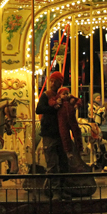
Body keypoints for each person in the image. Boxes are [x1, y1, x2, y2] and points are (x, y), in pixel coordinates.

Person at [35, 72, 70, 200]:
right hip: (49, 132)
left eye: (55, 81)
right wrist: (54, 108)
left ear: (60, 83)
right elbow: (38, 109)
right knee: (52, 164)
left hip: (60, 133)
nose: (52, 83)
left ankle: (62, 188)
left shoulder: (62, 95)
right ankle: (54, 191)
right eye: (51, 81)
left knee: (63, 163)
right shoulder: (46, 95)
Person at [55, 87, 84, 159]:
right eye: (63, 94)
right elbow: (52, 102)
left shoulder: (71, 98)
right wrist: (56, 104)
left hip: (72, 119)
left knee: (77, 133)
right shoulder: (59, 101)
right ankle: (68, 151)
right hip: (63, 121)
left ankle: (80, 149)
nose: (65, 95)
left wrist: (77, 104)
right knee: (65, 136)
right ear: (60, 95)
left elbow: (79, 100)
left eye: (66, 93)